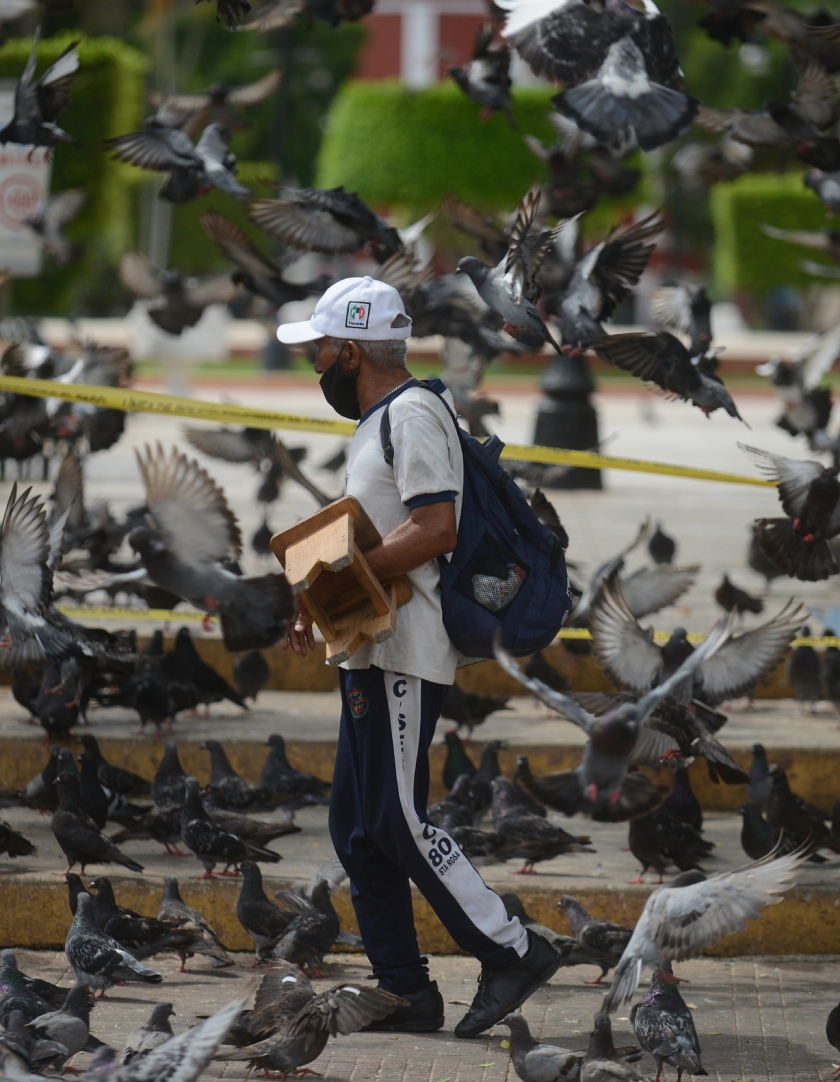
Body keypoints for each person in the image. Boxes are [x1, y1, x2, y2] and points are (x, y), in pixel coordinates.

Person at [276, 276, 560, 1037]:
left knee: (398, 818)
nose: (315, 365)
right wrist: (320, 599)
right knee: (357, 828)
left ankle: (514, 947)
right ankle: (406, 990)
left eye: (321, 349)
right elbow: (379, 534)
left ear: (352, 349)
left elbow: (434, 528)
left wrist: (340, 581)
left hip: (408, 650)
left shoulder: (414, 414)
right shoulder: (378, 420)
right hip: (368, 647)